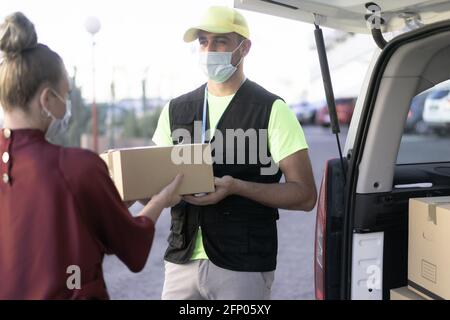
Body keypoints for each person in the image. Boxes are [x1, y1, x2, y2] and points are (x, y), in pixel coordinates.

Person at [0, 12, 183, 300]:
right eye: (66, 94)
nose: (68, 105)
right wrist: (161, 200)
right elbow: (131, 246)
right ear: (47, 99)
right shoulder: (76, 167)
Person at [152, 6, 317, 300]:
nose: (209, 49)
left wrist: (236, 187)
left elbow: (305, 195)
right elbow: (154, 183)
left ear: (244, 48)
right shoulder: (175, 109)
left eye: (220, 41)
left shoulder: (271, 110)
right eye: (203, 42)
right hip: (181, 259)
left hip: (243, 265)